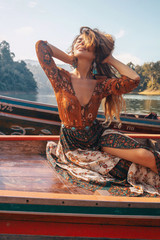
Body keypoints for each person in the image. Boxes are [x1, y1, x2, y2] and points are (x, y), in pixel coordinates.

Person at [36, 26, 160, 196]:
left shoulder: (101, 84)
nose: (81, 43)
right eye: (78, 41)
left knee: (148, 157)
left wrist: (109, 59)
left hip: (98, 135)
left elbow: (133, 80)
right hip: (73, 146)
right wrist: (71, 58)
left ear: (96, 53)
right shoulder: (59, 78)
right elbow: (41, 46)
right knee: (131, 169)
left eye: (87, 42)